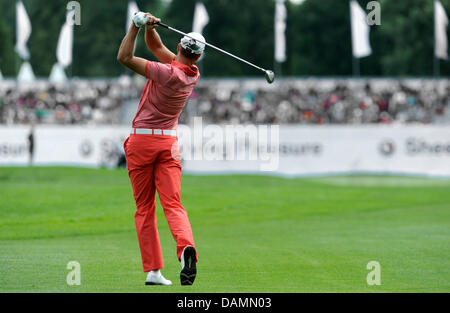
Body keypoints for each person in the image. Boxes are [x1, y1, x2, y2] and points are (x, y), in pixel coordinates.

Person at [117, 12, 203, 286]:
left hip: (142, 142)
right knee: (174, 204)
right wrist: (149, 28)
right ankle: (185, 248)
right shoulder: (191, 74)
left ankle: (153, 270)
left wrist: (134, 25)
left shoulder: (166, 72)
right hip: (169, 143)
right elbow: (156, 48)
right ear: (197, 57)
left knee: (145, 207)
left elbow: (125, 58)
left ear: (179, 48)